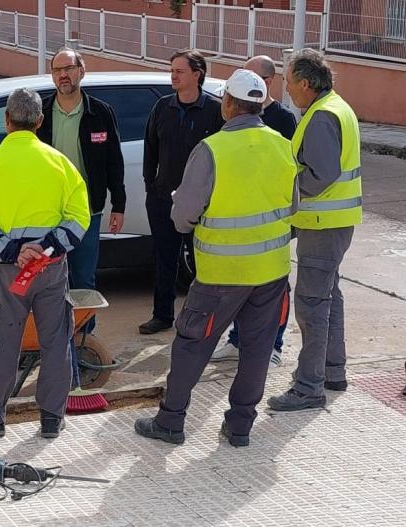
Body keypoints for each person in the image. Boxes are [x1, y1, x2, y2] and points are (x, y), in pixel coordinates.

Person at [134, 69, 297, 447]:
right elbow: (293, 206)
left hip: (222, 274)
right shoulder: (282, 145)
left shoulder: (212, 149)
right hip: (271, 272)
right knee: (256, 351)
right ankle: (240, 427)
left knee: (192, 345)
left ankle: (171, 422)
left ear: (226, 103)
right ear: (259, 104)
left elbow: (182, 216)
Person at [0, 88, 91, 440]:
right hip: (51, 269)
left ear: (6, 120)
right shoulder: (60, 163)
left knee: (2, 343)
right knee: (55, 341)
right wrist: (47, 249)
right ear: (40, 121)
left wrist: (14, 252)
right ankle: (52, 418)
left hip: (7, 272)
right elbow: (79, 218)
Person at [267, 49, 362, 412]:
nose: (288, 90)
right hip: (332, 223)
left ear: (306, 83)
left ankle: (308, 387)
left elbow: (320, 176)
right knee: (327, 297)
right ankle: (332, 371)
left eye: (290, 83)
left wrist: (284, 192)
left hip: (322, 224)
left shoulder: (322, 117)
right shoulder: (335, 107)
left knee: (311, 305)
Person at [212, 55, 298, 367]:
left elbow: (290, 174)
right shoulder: (229, 120)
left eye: (249, 76)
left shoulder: (283, 119)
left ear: (267, 82)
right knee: (240, 287)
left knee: (275, 289)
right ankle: (237, 341)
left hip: (271, 224)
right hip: (240, 224)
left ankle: (273, 344)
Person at [35, 47, 125, 334]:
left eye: (68, 68)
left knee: (84, 279)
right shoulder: (42, 113)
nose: (63, 75)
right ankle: (53, 337)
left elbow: (114, 160)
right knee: (48, 279)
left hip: (88, 211)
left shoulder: (99, 112)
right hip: (48, 211)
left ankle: (85, 340)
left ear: (81, 71)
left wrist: (118, 204)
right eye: (57, 70)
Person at [140, 49, 224, 335]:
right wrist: (151, 187)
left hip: (201, 204)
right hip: (164, 200)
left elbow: (223, 156)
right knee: (164, 260)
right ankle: (162, 315)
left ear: (197, 74)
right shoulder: (163, 107)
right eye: (171, 70)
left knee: (202, 263)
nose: (173, 76)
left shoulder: (214, 111)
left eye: (179, 71)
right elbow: (150, 150)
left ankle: (203, 317)